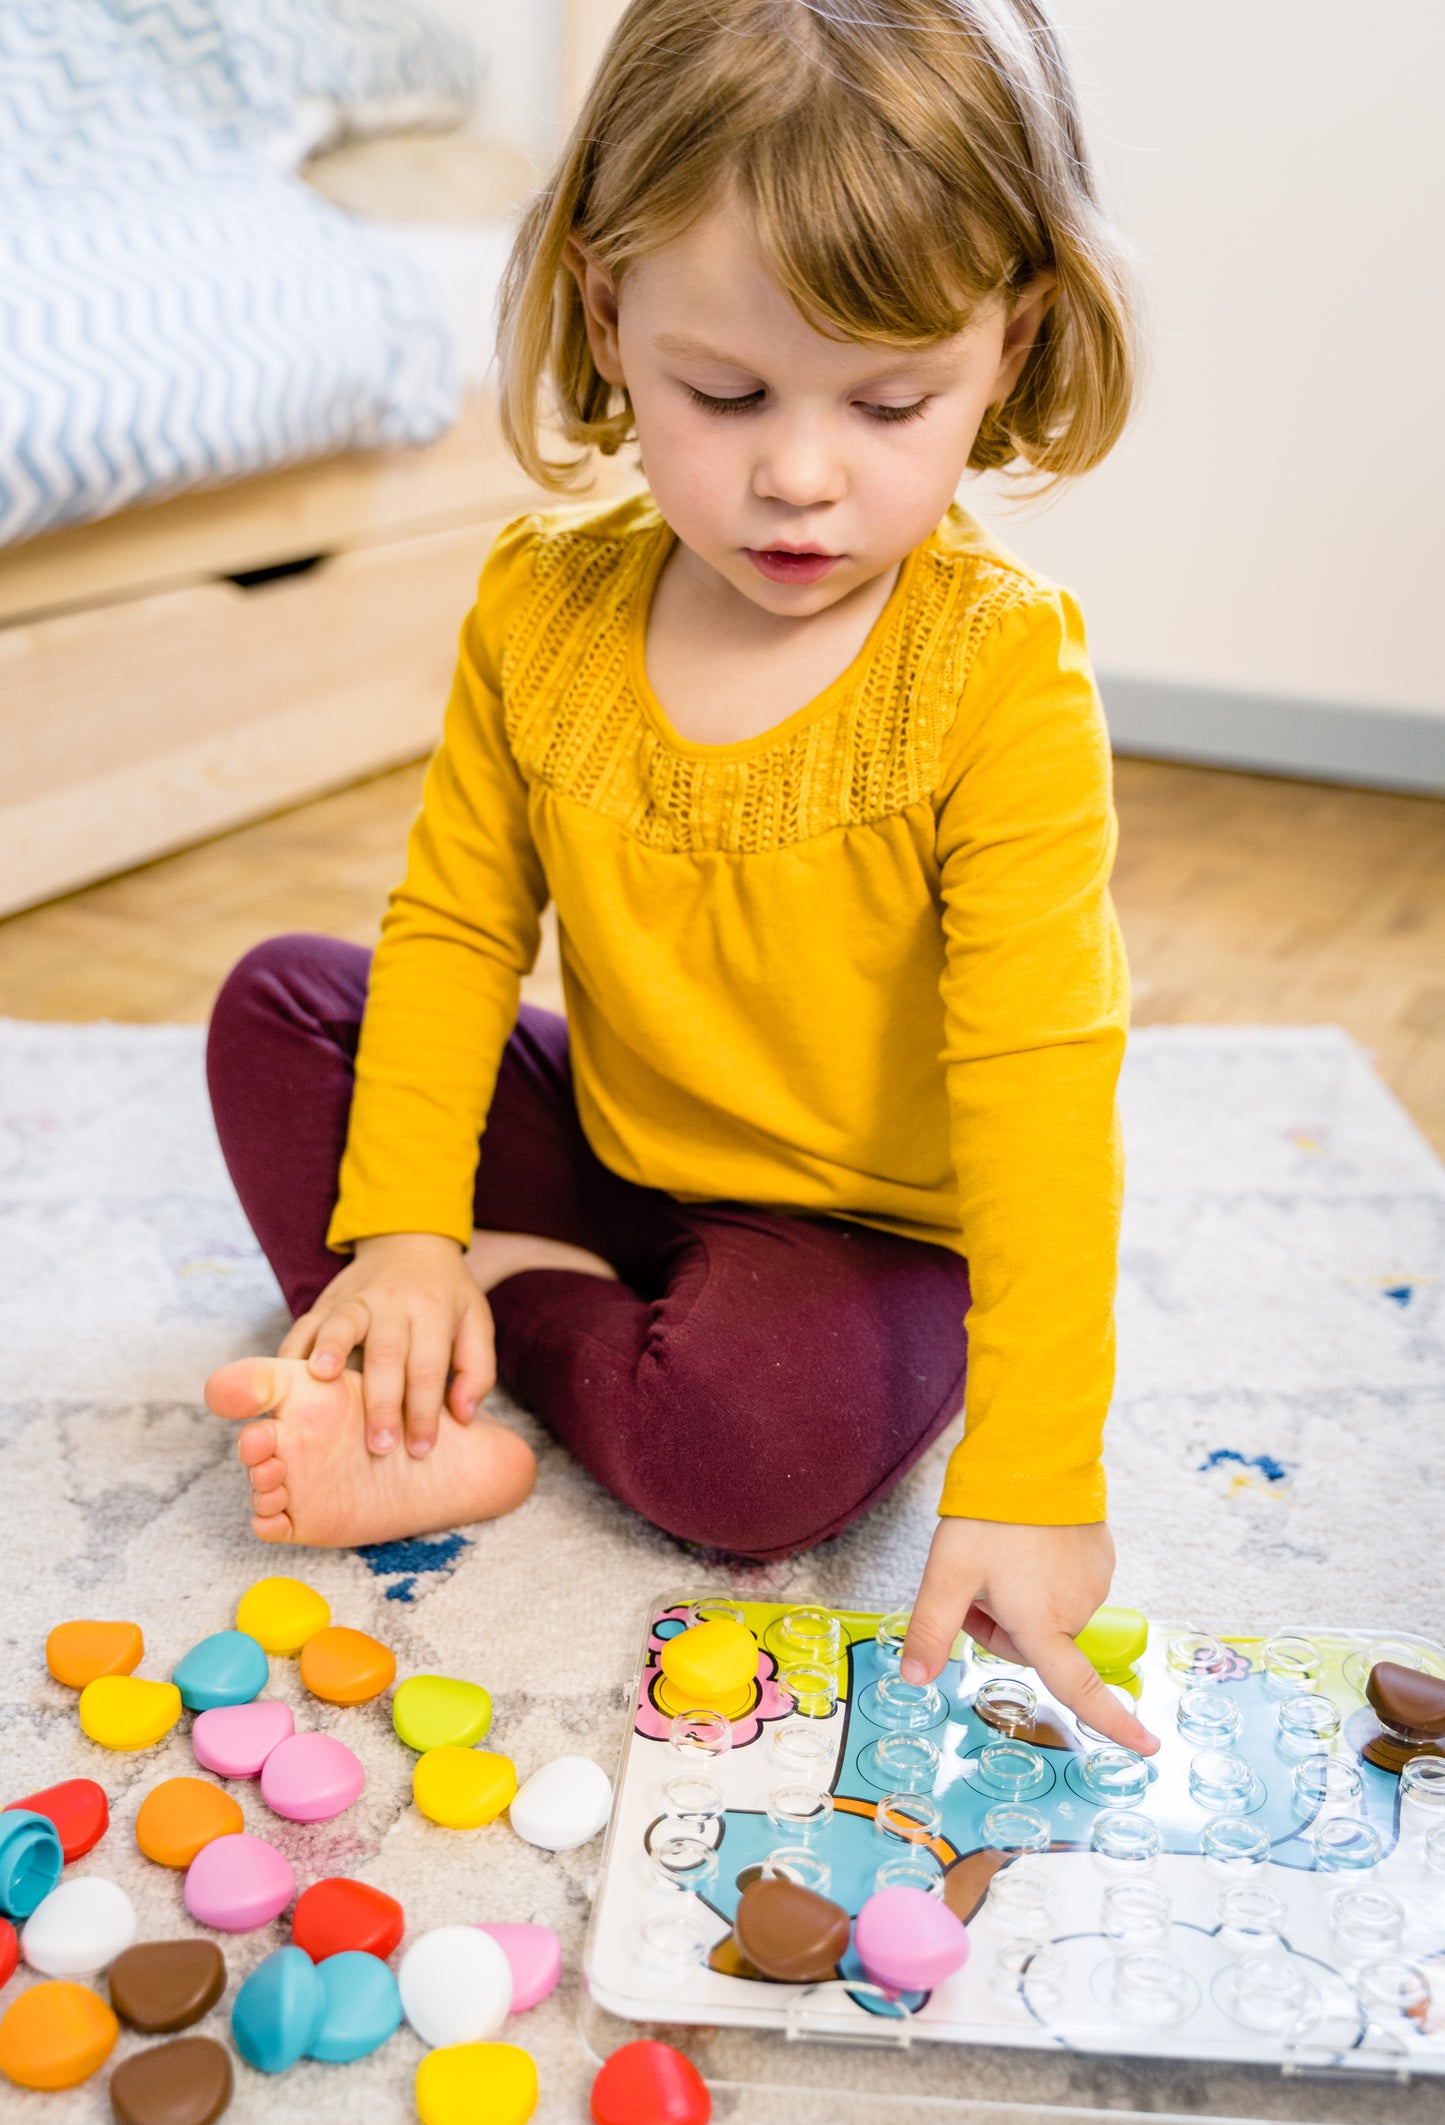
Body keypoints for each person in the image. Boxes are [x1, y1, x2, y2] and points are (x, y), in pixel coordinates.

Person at [205, 0, 1157, 1754]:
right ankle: (450, 1320)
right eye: (723, 394)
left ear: (1007, 349)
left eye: (889, 402)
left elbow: (1042, 1086)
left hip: (859, 1229)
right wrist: (404, 1222)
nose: (800, 474)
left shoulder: (996, 675)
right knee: (281, 1004)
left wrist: (1034, 1471)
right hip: (626, 1138)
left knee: (749, 1456)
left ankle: (481, 1341)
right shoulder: (538, 602)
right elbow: (456, 928)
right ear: (603, 314)